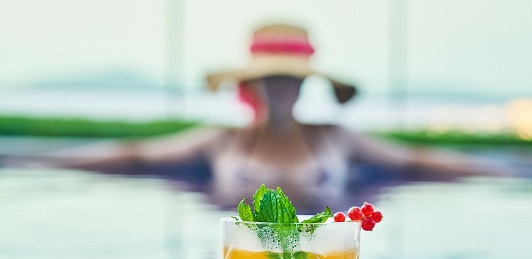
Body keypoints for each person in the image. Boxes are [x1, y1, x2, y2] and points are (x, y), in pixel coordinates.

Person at [33, 24, 502, 210]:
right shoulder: (221, 140)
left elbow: (416, 161)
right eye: (270, 78)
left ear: (304, 84)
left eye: (289, 78)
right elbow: (134, 155)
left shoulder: (336, 138)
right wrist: (38, 164)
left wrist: (504, 172)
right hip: (247, 249)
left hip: (317, 252)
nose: (280, 88)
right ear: (252, 84)